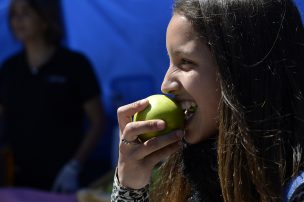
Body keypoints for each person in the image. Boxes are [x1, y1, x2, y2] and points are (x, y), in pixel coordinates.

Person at [111, 0, 304, 201]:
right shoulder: (198, 176)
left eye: (185, 62)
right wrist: (130, 186)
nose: (165, 84)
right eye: (170, 61)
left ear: (243, 72)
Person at [0, 0, 106, 192]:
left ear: (45, 19)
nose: (18, 20)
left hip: (64, 181)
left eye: (26, 12)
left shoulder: (75, 65)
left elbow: (98, 121)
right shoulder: (9, 69)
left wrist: (74, 167)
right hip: (19, 180)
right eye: (14, 14)